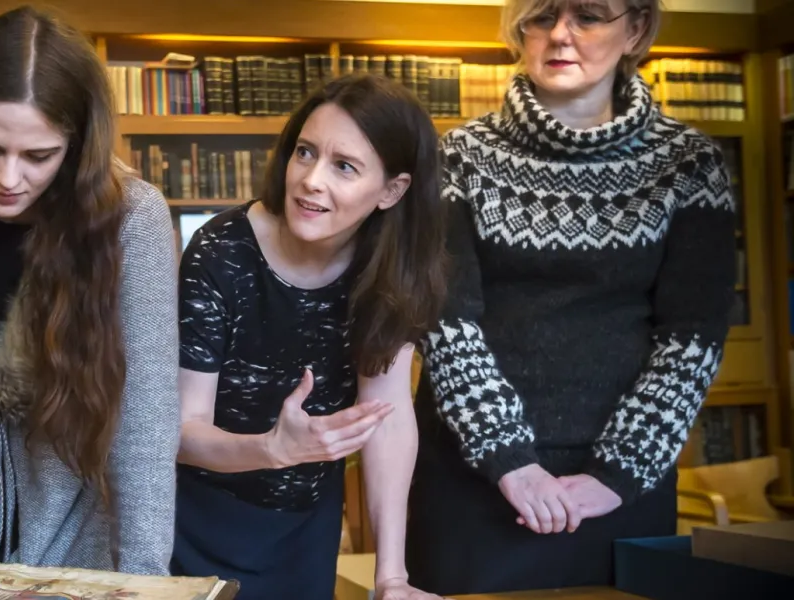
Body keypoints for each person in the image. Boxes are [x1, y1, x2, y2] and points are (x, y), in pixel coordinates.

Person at [405, 0, 736, 594]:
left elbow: (692, 335)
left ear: (634, 28)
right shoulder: (458, 157)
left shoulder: (689, 164)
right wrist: (509, 461)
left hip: (620, 488)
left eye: (588, 15)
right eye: (542, 16)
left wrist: (617, 472)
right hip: (471, 479)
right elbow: (446, 322)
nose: (561, 34)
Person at [0, 4, 181, 575]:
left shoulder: (131, 218)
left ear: (76, 144)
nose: (7, 178)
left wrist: (146, 582)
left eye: (38, 155)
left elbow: (146, 423)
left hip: (75, 534)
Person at [173, 73, 447, 600]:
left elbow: (385, 418)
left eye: (344, 166)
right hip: (192, 520)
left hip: (304, 527)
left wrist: (391, 576)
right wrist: (274, 448)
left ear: (393, 190)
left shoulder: (393, 270)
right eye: (305, 153)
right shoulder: (221, 252)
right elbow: (181, 431)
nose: (311, 180)